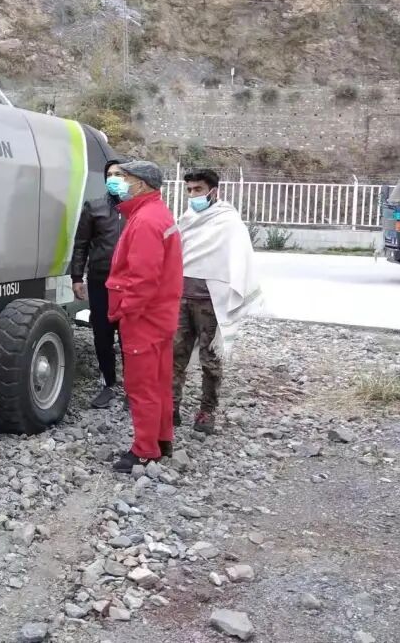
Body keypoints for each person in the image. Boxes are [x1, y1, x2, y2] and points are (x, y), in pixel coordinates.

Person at [104, 160, 183, 471]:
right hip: (160, 315)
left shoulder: (145, 220)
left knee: (142, 386)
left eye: (124, 177)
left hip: (144, 319)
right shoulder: (155, 213)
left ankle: (145, 450)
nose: (119, 182)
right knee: (159, 382)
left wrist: (125, 310)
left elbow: (143, 278)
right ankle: (162, 439)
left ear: (142, 183)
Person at [173, 168, 262, 434]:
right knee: (174, 356)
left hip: (211, 302)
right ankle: (171, 406)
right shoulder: (186, 219)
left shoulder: (228, 222)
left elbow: (240, 259)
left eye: (198, 189)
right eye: (189, 190)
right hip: (182, 298)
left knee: (210, 360)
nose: (193, 195)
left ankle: (207, 411)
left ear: (214, 191)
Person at [70, 160, 124, 409]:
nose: (113, 178)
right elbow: (81, 244)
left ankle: (134, 388)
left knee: (129, 336)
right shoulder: (94, 207)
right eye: (109, 174)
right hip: (100, 280)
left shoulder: (137, 210)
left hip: (130, 283)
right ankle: (108, 383)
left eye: (119, 174)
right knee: (102, 334)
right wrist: (76, 277)